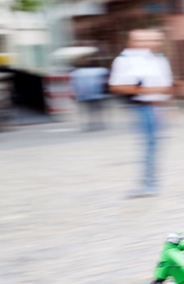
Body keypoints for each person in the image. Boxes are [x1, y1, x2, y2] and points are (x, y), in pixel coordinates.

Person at [108, 29, 174, 198]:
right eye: (144, 40)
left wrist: (166, 105)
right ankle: (148, 183)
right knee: (148, 146)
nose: (150, 43)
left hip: (157, 106)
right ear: (133, 42)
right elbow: (116, 86)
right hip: (142, 106)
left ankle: (151, 182)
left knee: (154, 146)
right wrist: (147, 89)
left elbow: (167, 86)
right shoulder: (124, 60)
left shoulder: (158, 59)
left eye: (154, 39)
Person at [69, 52, 109, 131]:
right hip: (97, 93)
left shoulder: (76, 73)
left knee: (86, 110)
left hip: (83, 95)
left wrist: (74, 93)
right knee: (97, 110)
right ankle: (99, 123)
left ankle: (89, 124)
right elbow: (105, 80)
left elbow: (74, 84)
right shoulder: (100, 70)